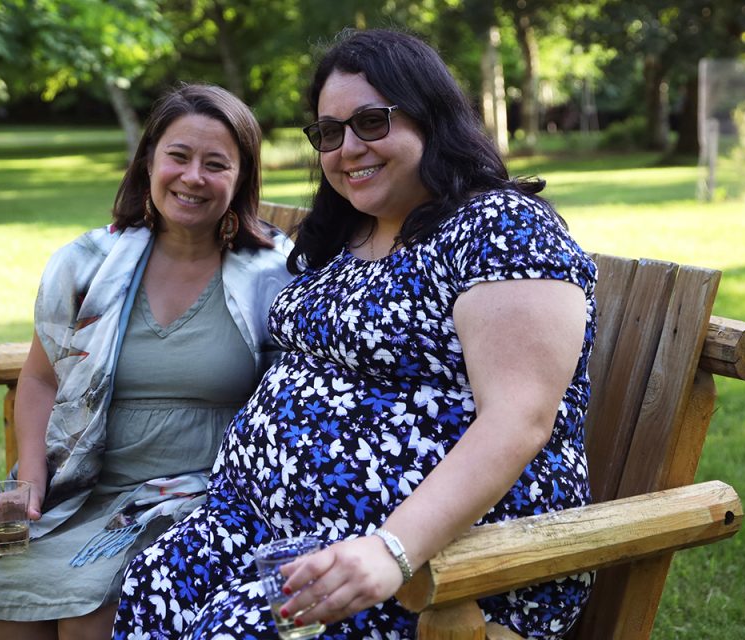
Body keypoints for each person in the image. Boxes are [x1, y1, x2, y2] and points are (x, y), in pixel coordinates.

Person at [113, 28, 598, 640]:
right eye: (329, 132)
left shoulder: (498, 228)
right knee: (154, 584)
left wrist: (390, 550)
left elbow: (519, 420)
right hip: (265, 527)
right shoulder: (353, 235)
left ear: (430, 117)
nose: (347, 148)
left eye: (371, 122)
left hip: (440, 566)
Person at [0, 83, 294, 640]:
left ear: (241, 179)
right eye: (178, 157)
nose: (192, 177)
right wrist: (31, 482)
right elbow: (40, 378)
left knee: (90, 618)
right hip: (87, 486)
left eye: (216, 164)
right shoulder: (88, 264)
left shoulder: (273, 276)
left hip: (203, 496)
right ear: (150, 161)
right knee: (7, 589)